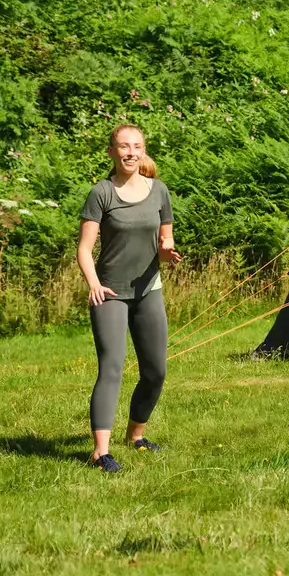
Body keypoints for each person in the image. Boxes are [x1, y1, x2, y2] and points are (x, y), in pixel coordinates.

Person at [77, 124, 180, 473]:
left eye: (136, 146)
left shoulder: (159, 191)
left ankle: (136, 436)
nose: (130, 152)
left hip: (148, 290)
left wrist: (167, 253)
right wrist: (93, 283)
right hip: (109, 293)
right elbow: (84, 248)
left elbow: (165, 240)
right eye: (123, 147)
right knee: (112, 367)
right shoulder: (101, 193)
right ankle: (100, 453)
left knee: (156, 371)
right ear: (112, 152)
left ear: (144, 151)